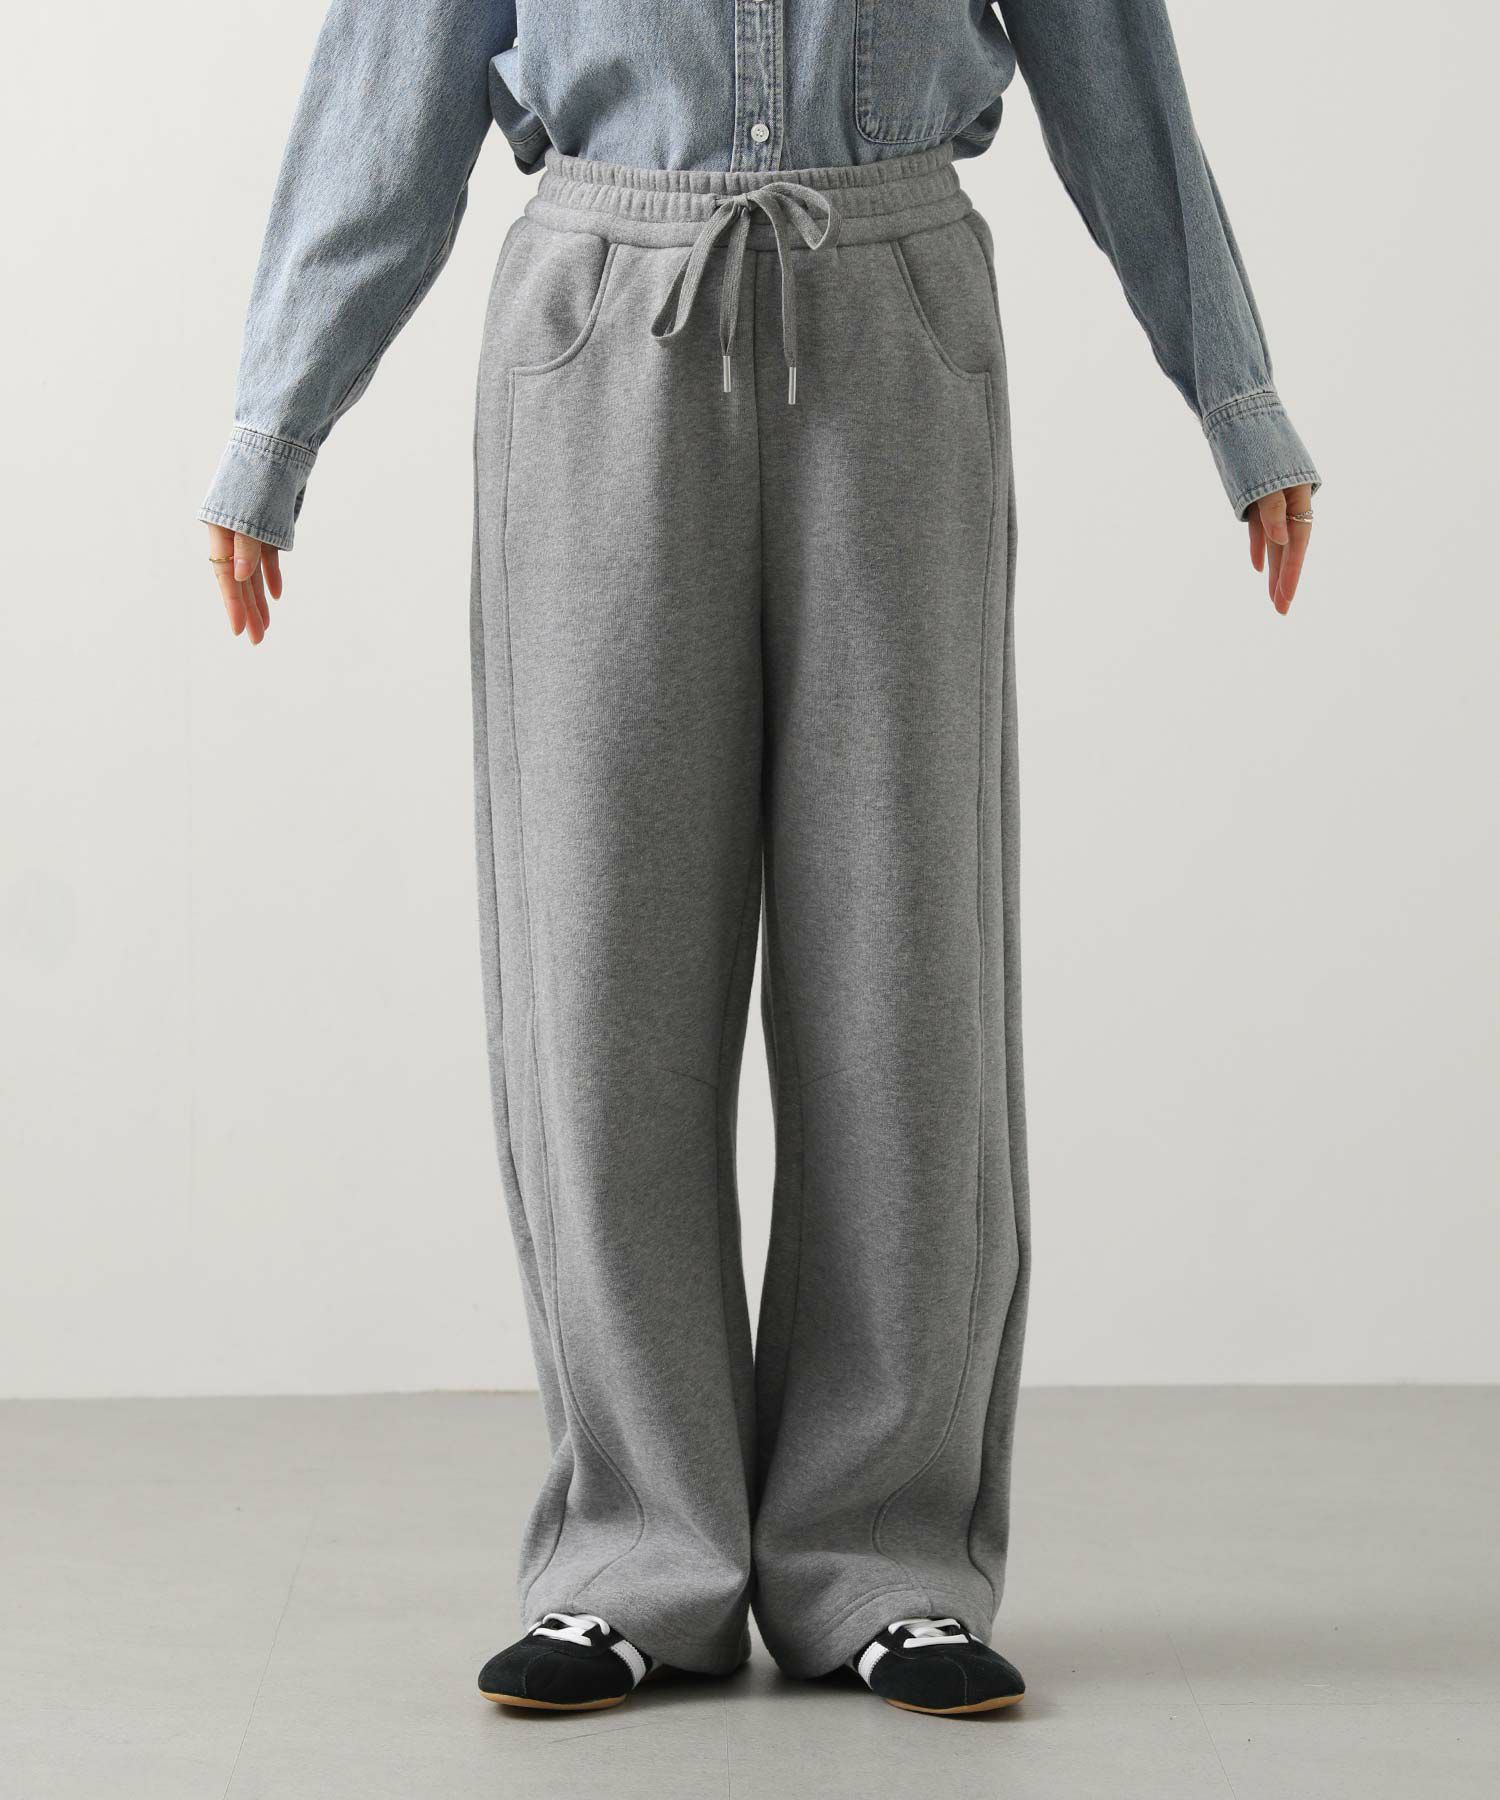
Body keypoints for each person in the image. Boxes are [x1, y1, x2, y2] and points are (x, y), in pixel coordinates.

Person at [200, 1, 1318, 1719]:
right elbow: (394, 77)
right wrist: (275, 424)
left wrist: (1235, 401)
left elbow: (1112, 64)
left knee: (905, 968)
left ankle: (885, 1552)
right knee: (599, 970)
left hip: (894, 314)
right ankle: (632, 1557)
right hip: (601, 321)